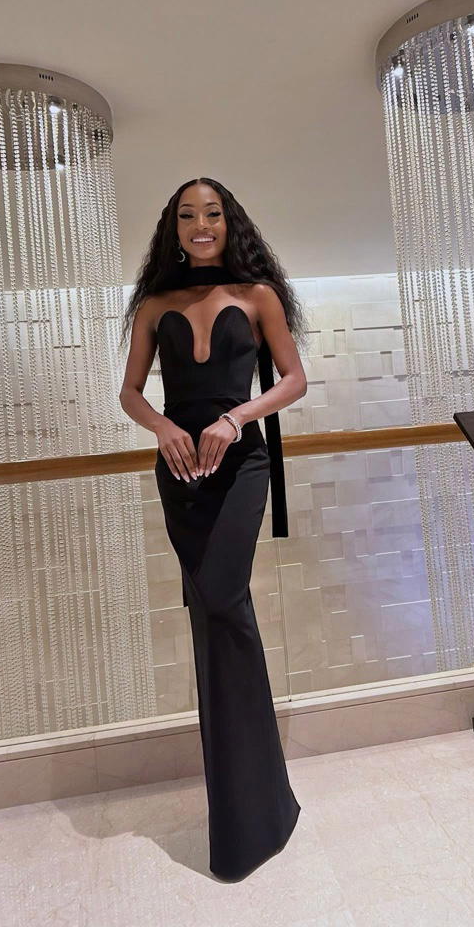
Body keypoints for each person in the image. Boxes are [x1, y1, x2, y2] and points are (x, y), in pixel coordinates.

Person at [119, 176, 309, 882]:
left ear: (230, 224)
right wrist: (164, 427)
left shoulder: (258, 295)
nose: (201, 225)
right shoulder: (153, 304)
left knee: (223, 602)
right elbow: (130, 391)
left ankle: (257, 808)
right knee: (211, 613)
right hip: (181, 474)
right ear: (173, 229)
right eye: (187, 216)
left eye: (213, 214)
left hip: (239, 466)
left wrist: (235, 418)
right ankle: (252, 808)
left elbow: (292, 379)